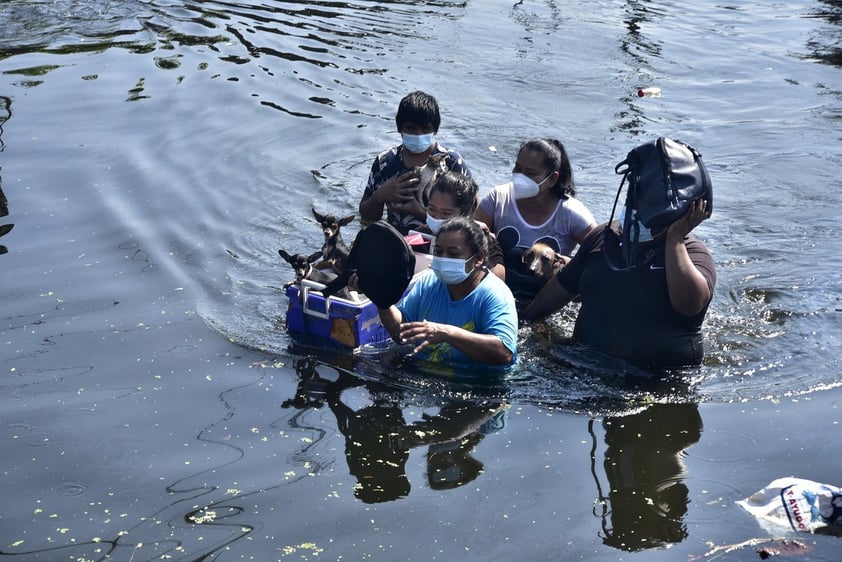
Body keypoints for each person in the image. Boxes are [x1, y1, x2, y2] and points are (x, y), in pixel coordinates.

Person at [520, 196, 716, 369]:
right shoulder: (603, 238)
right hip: (585, 364)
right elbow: (537, 309)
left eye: (650, 204)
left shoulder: (694, 254)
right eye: (635, 197)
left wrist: (675, 238)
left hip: (659, 379)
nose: (638, 209)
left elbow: (690, 305)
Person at [376, 216, 518, 367]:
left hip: (478, 385)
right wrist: (382, 299)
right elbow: (402, 334)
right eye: (438, 251)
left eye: (453, 253)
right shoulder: (428, 282)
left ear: (478, 259)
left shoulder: (494, 294)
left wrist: (447, 333)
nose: (443, 259)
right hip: (426, 373)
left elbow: (504, 353)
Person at [474, 138, 596, 299]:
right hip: (499, 291)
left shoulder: (571, 213)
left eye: (531, 173)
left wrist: (567, 264)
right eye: (518, 168)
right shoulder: (498, 198)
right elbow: (469, 245)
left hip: (542, 298)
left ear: (552, 179)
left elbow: (601, 256)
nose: (520, 177)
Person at [359, 90, 472, 235]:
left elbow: (470, 218)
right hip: (395, 241)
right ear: (399, 128)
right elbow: (367, 217)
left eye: (426, 129)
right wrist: (380, 196)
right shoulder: (385, 161)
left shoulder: (451, 163)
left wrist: (419, 212)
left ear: (435, 130)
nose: (418, 135)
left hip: (440, 244)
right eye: (411, 128)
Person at [415, 170, 506, 281]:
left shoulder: (481, 239)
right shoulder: (420, 234)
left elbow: (498, 277)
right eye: (432, 209)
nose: (437, 217)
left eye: (446, 213)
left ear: (467, 212)